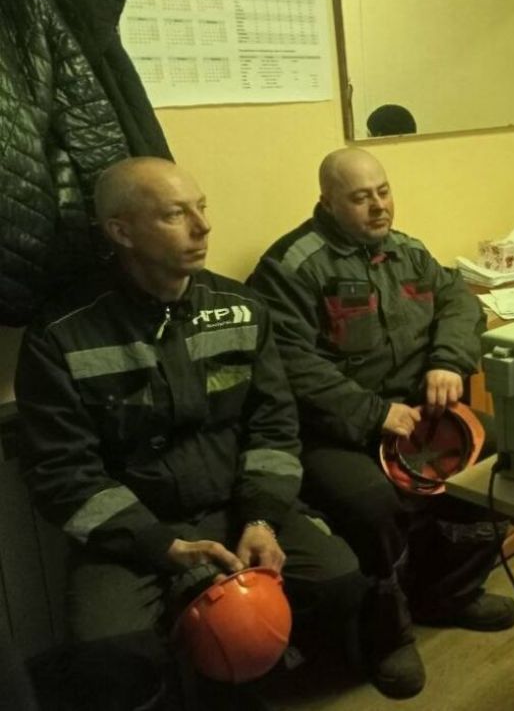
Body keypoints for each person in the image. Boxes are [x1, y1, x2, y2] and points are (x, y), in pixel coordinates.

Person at [14, 158, 413, 709]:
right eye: (175, 214)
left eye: (201, 208)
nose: (203, 227)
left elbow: (274, 425)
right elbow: (61, 472)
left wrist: (261, 518)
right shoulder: (63, 334)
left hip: (234, 505)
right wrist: (161, 545)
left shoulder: (241, 308)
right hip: (135, 529)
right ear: (121, 232)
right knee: (112, 650)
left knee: (338, 579)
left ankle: (254, 677)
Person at [248, 147, 514, 698]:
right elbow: (291, 363)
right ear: (327, 201)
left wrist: (448, 360)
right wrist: (373, 413)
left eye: (384, 191)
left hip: (417, 415)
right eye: (360, 197)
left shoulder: (408, 252)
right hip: (335, 430)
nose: (378, 207)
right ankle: (386, 637)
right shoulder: (292, 267)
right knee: (372, 504)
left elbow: (460, 303)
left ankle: (451, 595)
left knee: (498, 453)